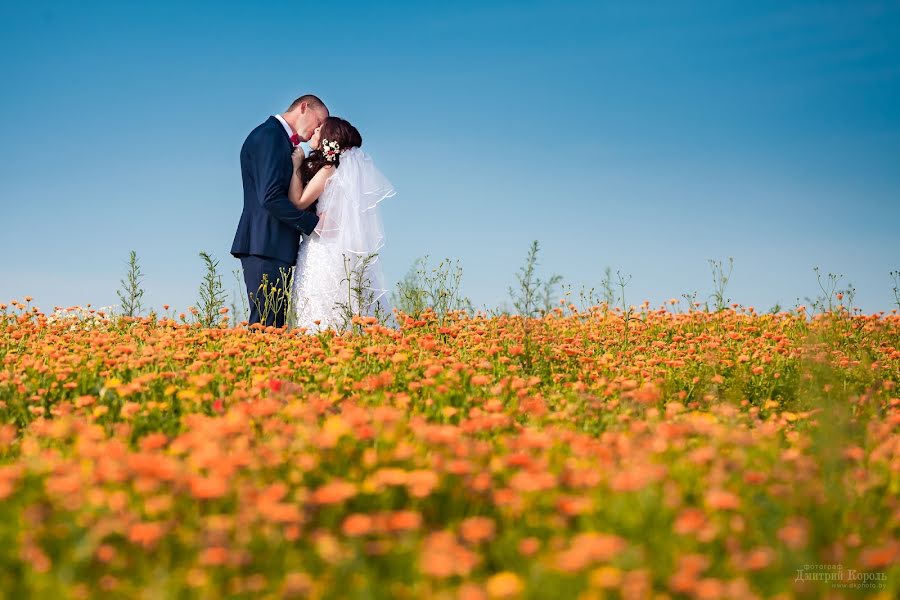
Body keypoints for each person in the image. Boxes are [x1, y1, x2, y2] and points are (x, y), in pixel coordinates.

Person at [288, 116, 395, 331]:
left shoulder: (328, 169)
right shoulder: (341, 171)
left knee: (318, 301)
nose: (314, 132)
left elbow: (298, 202)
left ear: (328, 139)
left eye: (319, 130)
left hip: (321, 249)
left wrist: (296, 166)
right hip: (338, 248)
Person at [230, 95, 329, 327]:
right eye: (320, 120)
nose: (320, 128)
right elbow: (271, 197)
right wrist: (312, 223)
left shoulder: (282, 140)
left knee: (275, 327)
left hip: (274, 247)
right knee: (267, 327)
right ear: (304, 108)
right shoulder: (270, 136)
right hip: (265, 245)